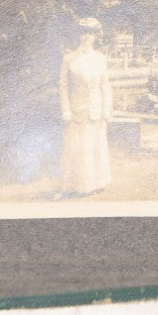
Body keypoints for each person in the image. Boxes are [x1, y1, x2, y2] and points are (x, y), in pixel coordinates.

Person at [59, 17, 113, 196]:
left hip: (96, 109)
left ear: (95, 36)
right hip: (77, 109)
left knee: (95, 145)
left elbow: (105, 85)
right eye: (83, 32)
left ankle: (97, 183)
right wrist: (66, 109)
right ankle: (77, 185)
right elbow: (64, 86)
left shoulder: (100, 59)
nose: (86, 36)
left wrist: (107, 108)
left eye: (90, 33)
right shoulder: (69, 58)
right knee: (78, 147)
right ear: (78, 35)